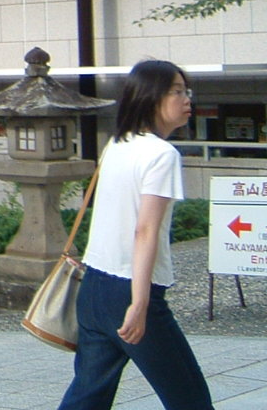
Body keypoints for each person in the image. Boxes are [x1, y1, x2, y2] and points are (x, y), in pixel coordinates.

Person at [57, 59, 212, 410]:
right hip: (130, 291)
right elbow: (145, 231)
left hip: (93, 286)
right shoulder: (162, 154)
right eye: (176, 91)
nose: (186, 99)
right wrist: (139, 304)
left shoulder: (118, 145)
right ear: (150, 97)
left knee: (87, 397)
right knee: (190, 400)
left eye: (186, 91)